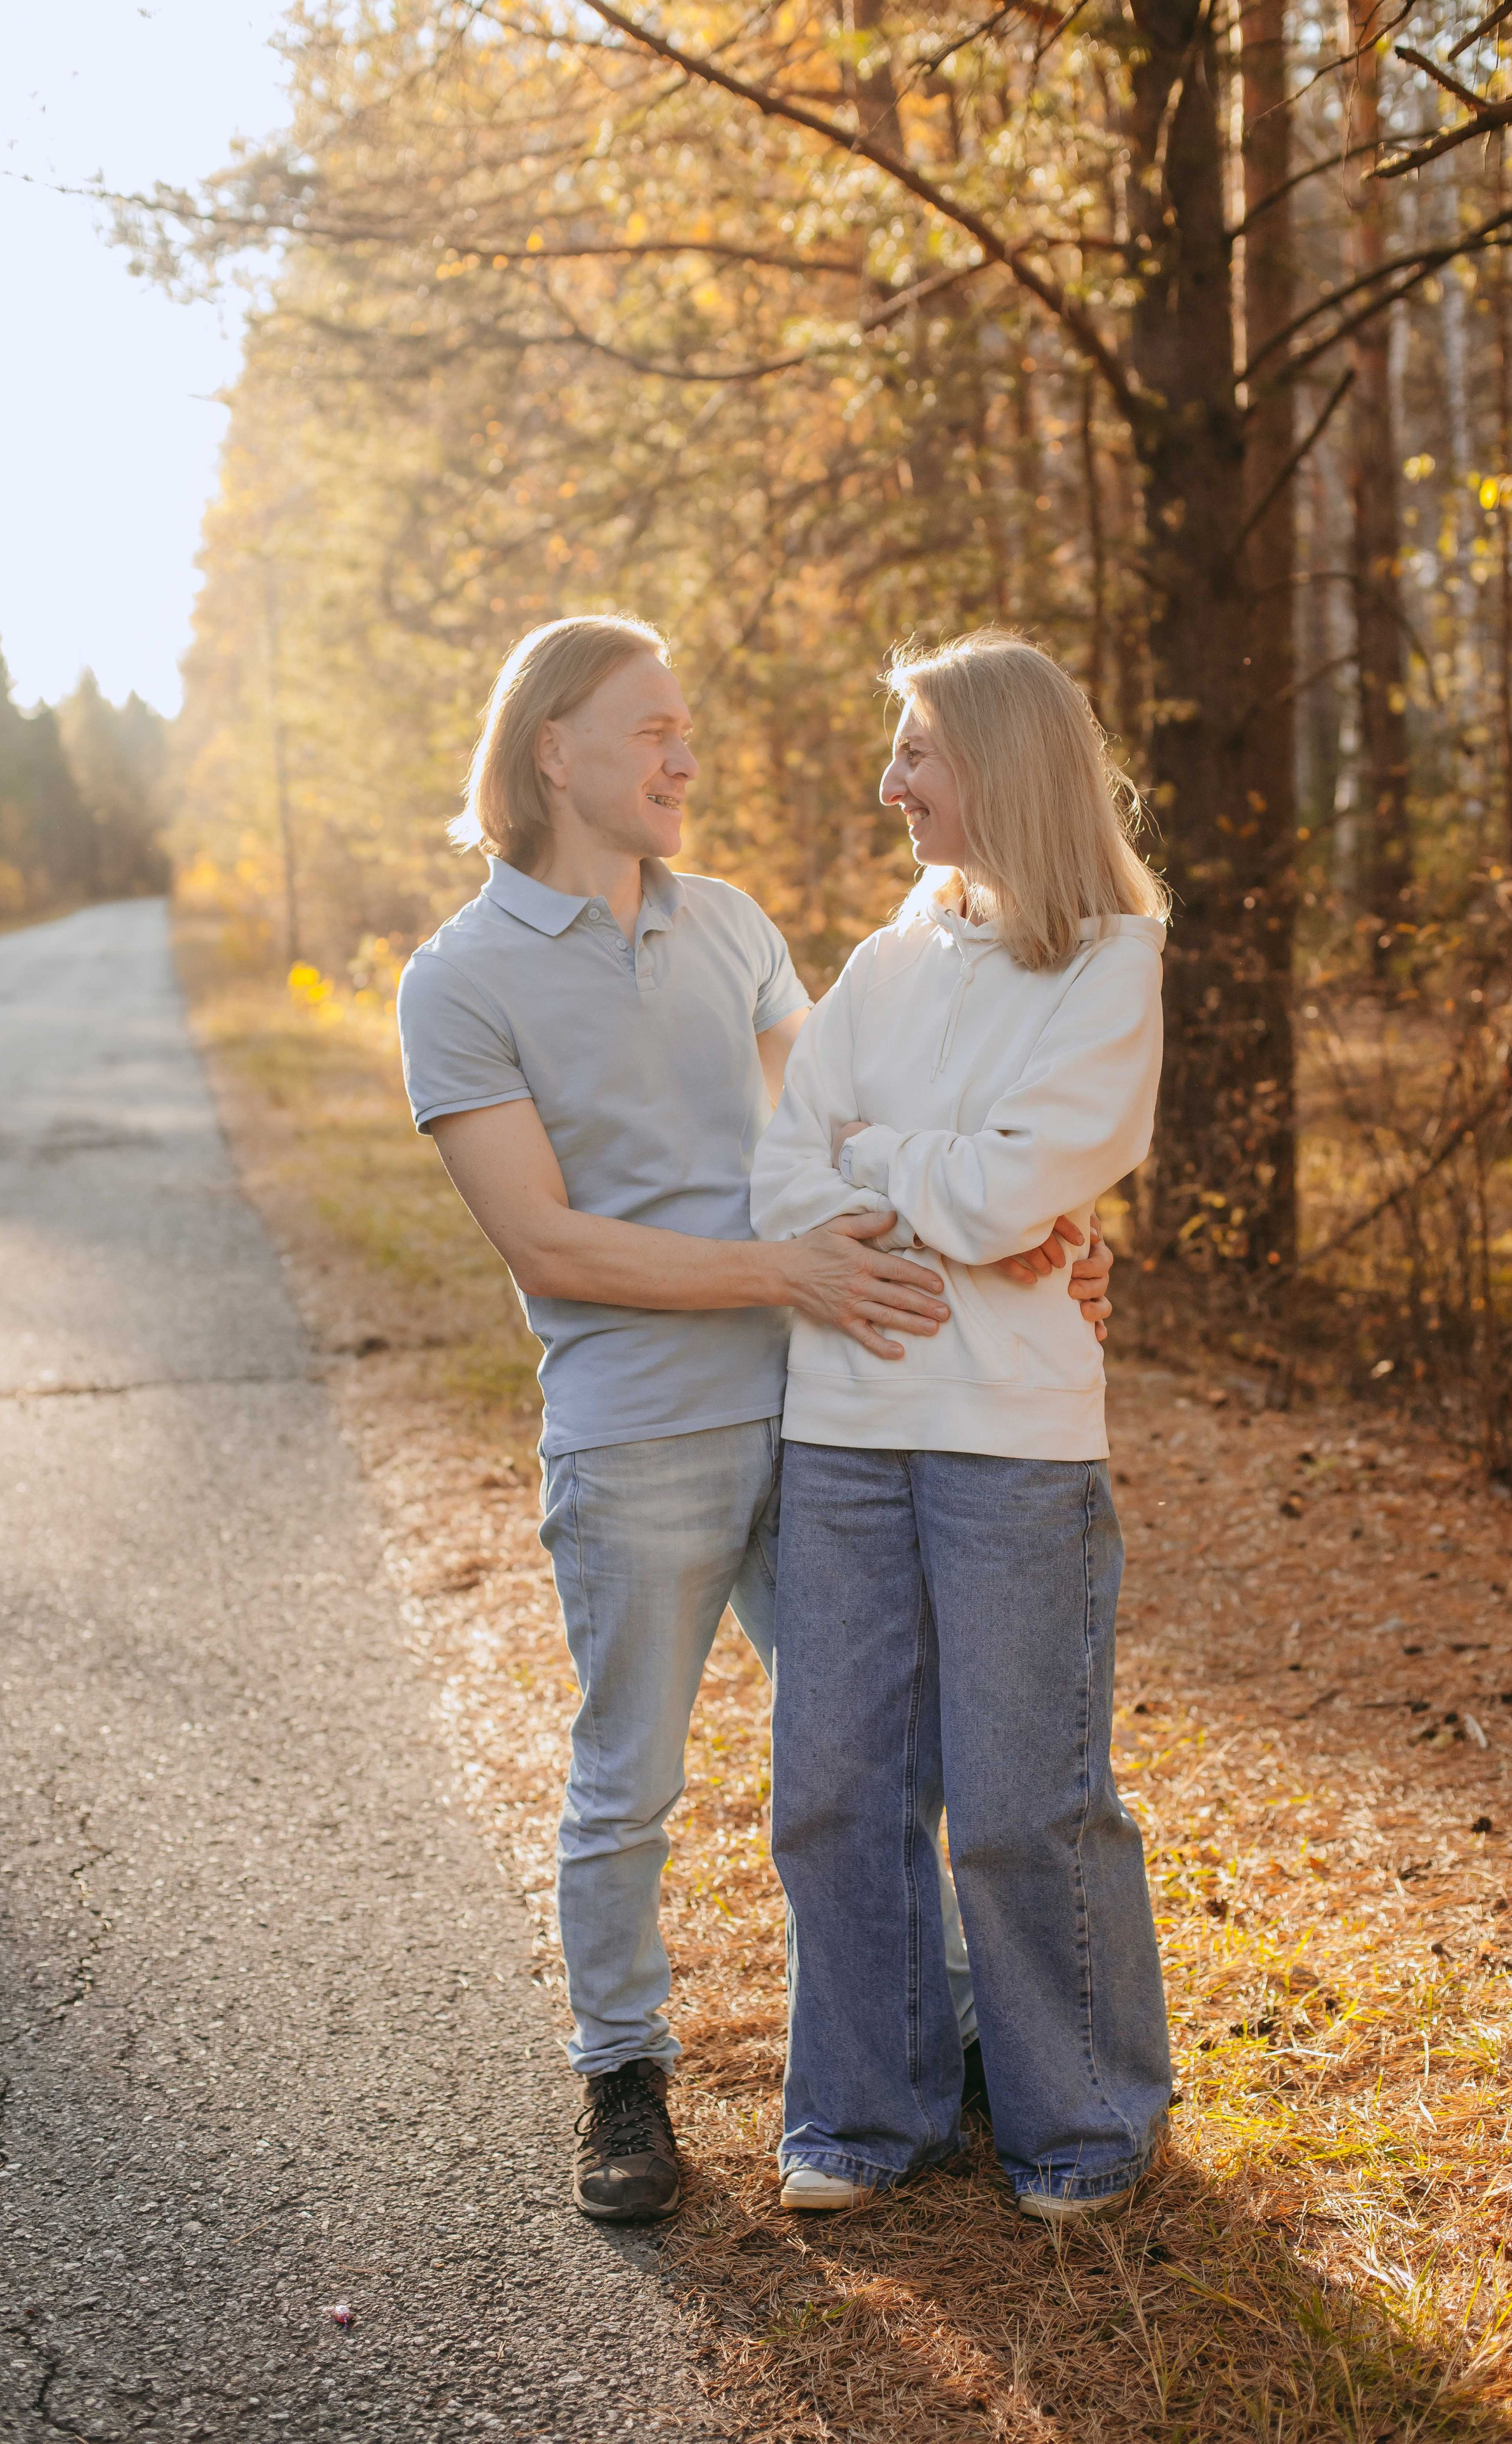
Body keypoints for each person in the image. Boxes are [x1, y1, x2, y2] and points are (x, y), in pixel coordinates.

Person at [395, 615, 1118, 2221]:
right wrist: (784, 1268)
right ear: (550, 752)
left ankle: (943, 2054)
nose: (685, 755)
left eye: (685, 726)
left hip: (819, 1420)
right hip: (635, 1436)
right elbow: (549, 1244)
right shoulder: (457, 978)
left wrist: (1042, 1230)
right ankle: (624, 2080)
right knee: (628, 1780)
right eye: (650, 728)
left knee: (873, 1766)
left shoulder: (729, 928)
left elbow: (855, 1131)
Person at [750, 629, 1173, 2224]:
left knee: (1022, 1797)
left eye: (916, 752)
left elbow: (1024, 1188)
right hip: (843, 1418)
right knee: (837, 1787)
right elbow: (789, 1172)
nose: (890, 785)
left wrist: (888, 1164)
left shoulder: (1113, 958)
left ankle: (1083, 2126)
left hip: (1011, 1436)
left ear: (995, 761)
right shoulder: (883, 958)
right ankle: (867, 2114)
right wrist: (926, 1178)